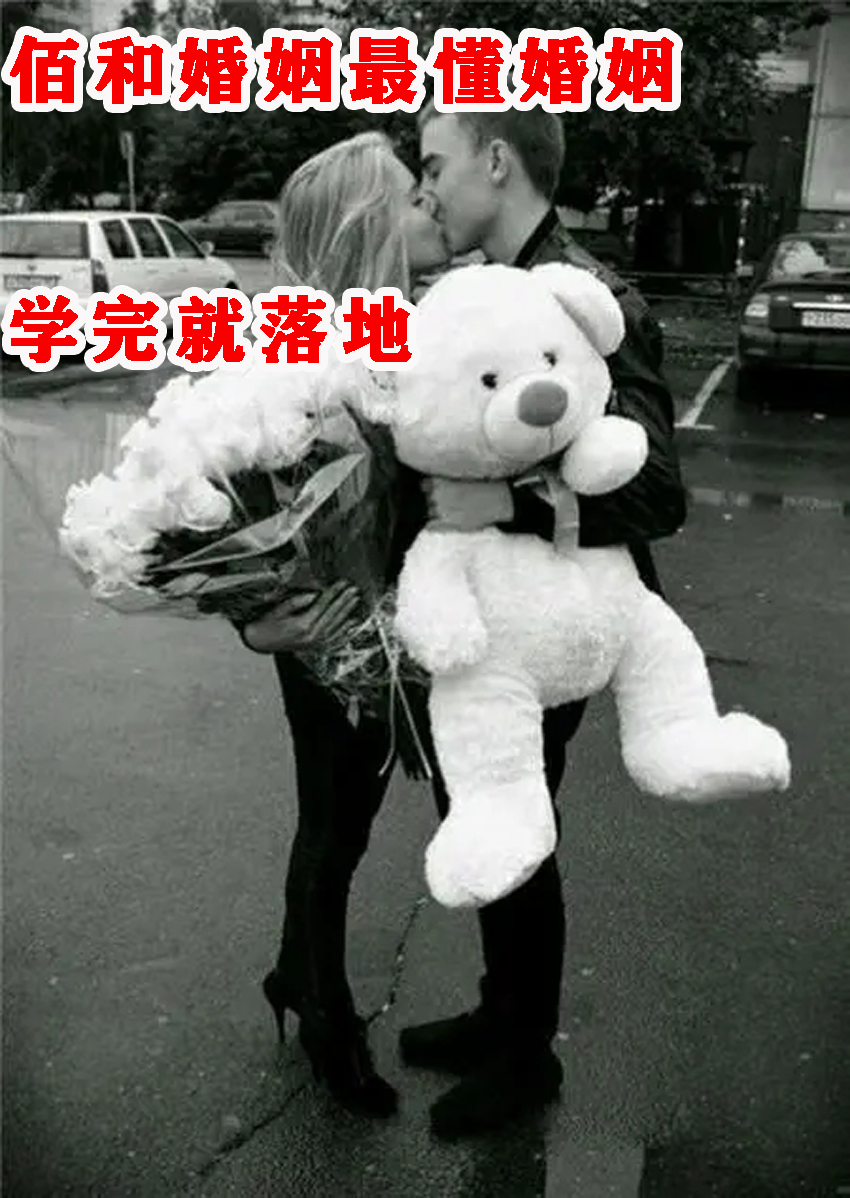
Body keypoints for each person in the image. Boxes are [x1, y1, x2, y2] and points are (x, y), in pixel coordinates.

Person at [391, 106, 687, 1139]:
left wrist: (508, 505)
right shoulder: (487, 290)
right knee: (483, 801)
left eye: (436, 164)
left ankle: (525, 1057)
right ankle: (500, 1014)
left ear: (496, 161)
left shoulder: (586, 296)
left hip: (560, 617)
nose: (426, 188)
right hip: (490, 613)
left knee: (516, 813)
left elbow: (657, 490)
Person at [239, 131, 450, 1119]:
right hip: (326, 629)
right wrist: (255, 623)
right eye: (411, 196)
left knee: (348, 822)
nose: (429, 206)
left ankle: (295, 972)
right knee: (332, 824)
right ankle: (324, 1014)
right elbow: (236, 512)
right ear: (369, 226)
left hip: (392, 622)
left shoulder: (410, 327)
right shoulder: (299, 355)